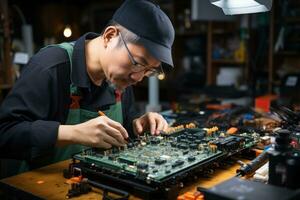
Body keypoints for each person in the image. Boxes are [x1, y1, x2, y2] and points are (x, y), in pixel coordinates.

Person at [0, 0, 175, 173]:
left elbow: (123, 133)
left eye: (148, 71)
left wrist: (137, 125)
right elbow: (5, 133)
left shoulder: (121, 78)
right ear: (109, 36)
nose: (138, 78)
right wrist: (72, 133)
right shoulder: (50, 67)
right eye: (137, 63)